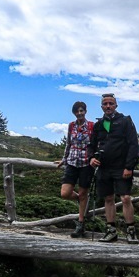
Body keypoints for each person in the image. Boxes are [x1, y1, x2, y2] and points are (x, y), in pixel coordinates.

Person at [87, 93, 139, 243]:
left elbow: (133, 145)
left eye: (111, 103)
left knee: (125, 198)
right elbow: (91, 145)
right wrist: (91, 158)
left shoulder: (125, 121)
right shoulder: (98, 125)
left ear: (116, 105)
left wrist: (129, 166)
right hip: (103, 167)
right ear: (101, 107)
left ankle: (131, 231)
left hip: (121, 167)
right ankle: (111, 231)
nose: (108, 106)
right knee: (108, 198)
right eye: (105, 104)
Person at [57, 101, 95, 238]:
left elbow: (95, 144)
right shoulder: (71, 126)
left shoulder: (91, 126)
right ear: (74, 113)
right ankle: (81, 201)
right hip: (72, 162)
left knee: (84, 192)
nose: (79, 113)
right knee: (65, 193)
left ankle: (80, 224)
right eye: (77, 111)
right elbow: (68, 143)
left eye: (82, 111)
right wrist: (64, 158)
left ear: (85, 111)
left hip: (86, 163)